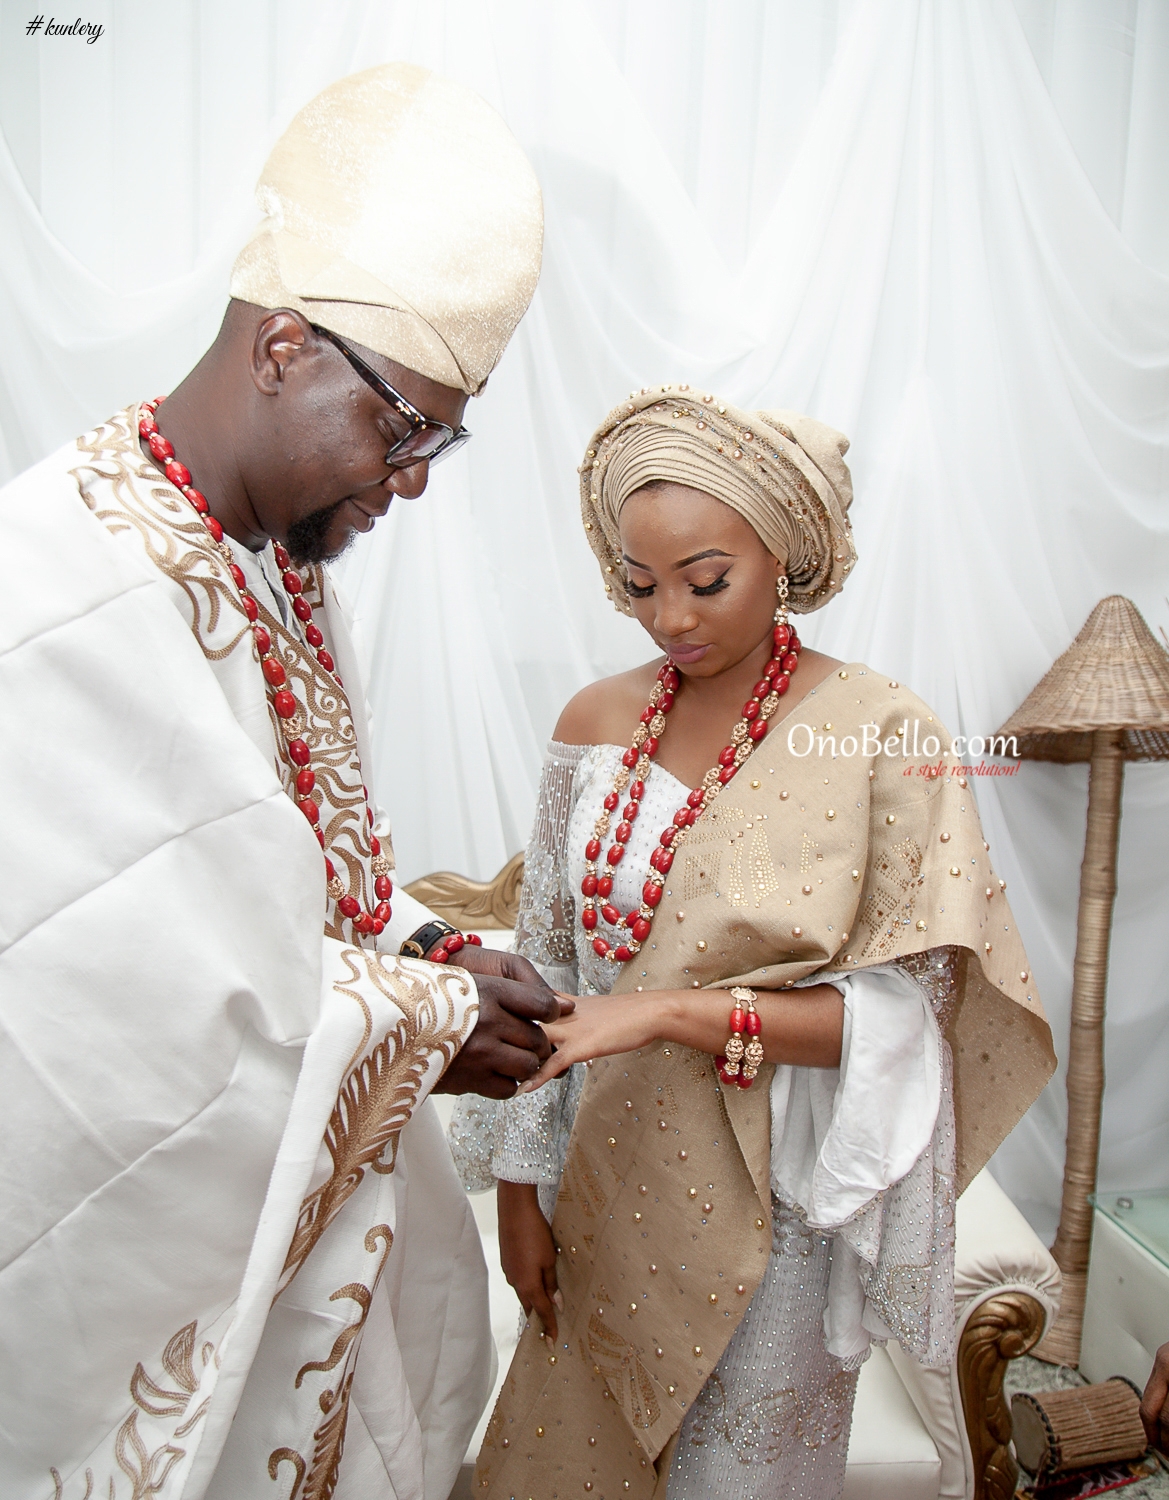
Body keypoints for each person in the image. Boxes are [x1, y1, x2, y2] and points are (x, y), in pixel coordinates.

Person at [0, 64, 560, 1500]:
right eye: (405, 426)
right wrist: (429, 1018)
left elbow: (276, 876)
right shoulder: (62, 581)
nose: (417, 478)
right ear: (283, 346)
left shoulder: (270, 557)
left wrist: (422, 947)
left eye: (443, 436)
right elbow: (109, 1018)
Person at [450, 386, 1057, 1499]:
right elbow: (547, 972)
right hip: (602, 1179)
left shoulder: (881, 730)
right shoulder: (591, 723)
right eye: (638, 585)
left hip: (767, 1215)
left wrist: (668, 1011)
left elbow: (902, 1023)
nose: (669, 618)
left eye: (705, 580)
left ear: (783, 553)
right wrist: (518, 1198)